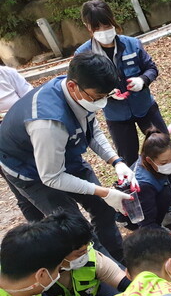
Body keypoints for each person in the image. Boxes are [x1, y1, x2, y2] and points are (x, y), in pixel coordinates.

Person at [0, 52, 136, 263]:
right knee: (78, 230)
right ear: (73, 86)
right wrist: (104, 191)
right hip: (29, 170)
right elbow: (52, 177)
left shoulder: (81, 94)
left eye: (105, 96)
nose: (101, 103)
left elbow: (92, 131)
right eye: (97, 97)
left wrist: (116, 162)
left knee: (103, 210)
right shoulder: (48, 123)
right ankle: (117, 281)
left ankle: (121, 262)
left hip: (63, 154)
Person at [76, 0, 169, 166]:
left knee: (164, 146)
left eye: (106, 25)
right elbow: (82, 89)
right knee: (128, 157)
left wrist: (143, 80)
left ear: (113, 20)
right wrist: (106, 95)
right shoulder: (83, 55)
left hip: (145, 107)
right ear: (87, 26)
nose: (104, 31)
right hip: (116, 115)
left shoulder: (132, 44)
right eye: (97, 28)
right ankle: (140, 189)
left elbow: (151, 68)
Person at [40, 212, 130, 296]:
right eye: (80, 253)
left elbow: (122, 280)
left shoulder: (92, 258)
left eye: (88, 247)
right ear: (57, 253)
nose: (86, 254)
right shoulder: (34, 273)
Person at [0, 65, 45, 222]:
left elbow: (32, 99)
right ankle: (41, 236)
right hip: (4, 150)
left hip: (28, 136)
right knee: (24, 194)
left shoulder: (7, 74)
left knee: (53, 180)